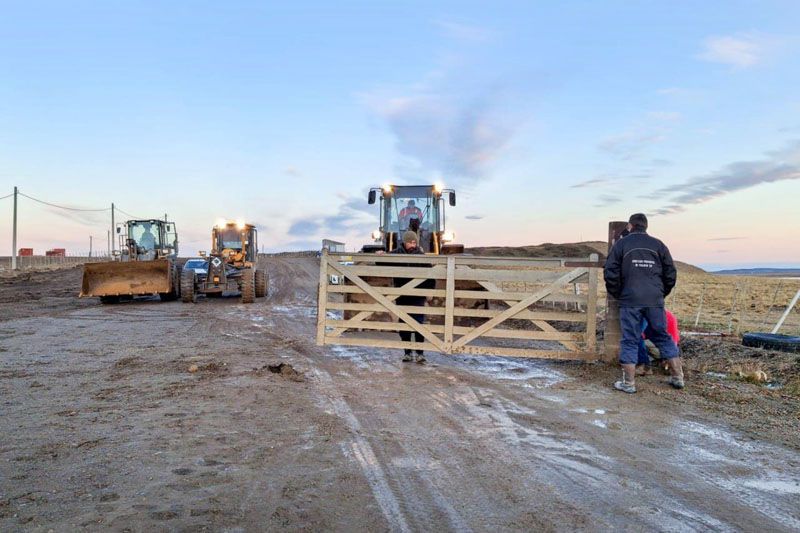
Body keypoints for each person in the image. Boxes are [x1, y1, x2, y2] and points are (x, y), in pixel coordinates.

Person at [604, 213, 684, 393]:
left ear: (630, 226)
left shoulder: (621, 245)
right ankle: (678, 377)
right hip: (654, 300)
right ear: (646, 226)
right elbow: (670, 273)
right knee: (663, 336)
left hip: (630, 300)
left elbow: (610, 271)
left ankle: (628, 383)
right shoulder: (659, 245)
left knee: (630, 339)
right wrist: (660, 293)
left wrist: (619, 293)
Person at [389, 230, 432, 364]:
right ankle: (407, 353)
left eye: (414, 242)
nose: (412, 245)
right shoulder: (396, 254)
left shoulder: (421, 256)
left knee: (418, 323)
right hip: (402, 295)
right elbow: (382, 262)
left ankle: (420, 353)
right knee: (404, 324)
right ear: (404, 242)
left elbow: (430, 274)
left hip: (417, 295)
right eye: (410, 242)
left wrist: (430, 291)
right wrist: (379, 255)